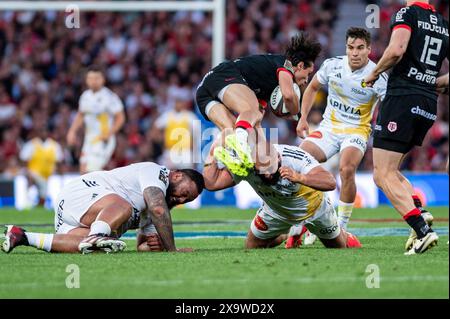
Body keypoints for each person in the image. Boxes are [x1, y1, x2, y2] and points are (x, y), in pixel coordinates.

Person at [363, 0, 448, 254]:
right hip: (428, 105)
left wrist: (374, 73)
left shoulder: (407, 13)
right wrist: (433, 83)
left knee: (381, 173)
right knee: (393, 170)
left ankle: (422, 231)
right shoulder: (444, 25)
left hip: (402, 99)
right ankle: (420, 211)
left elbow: (396, 49)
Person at [290, 27, 388, 246]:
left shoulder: (378, 76)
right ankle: (310, 218)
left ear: (369, 50)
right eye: (351, 47)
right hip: (329, 127)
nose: (355, 53)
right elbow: (313, 86)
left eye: (360, 48)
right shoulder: (332, 65)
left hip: (356, 130)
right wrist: (303, 117)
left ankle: (341, 227)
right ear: (346, 48)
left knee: (346, 168)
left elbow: (389, 105)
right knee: (299, 158)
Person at [2, 162, 205, 254]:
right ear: (177, 176)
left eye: (186, 201)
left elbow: (141, 246)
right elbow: (158, 209)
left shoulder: (159, 207)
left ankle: (23, 236)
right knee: (123, 208)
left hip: (74, 217)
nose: (180, 199)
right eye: (184, 193)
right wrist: (172, 250)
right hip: (80, 193)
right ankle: (96, 235)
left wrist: (154, 246)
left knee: (96, 249)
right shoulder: (158, 173)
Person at [203, 134, 362, 249]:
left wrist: (301, 177)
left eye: (272, 170)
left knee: (340, 247)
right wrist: (213, 151)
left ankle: (338, 233)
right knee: (251, 247)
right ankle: (291, 231)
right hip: (275, 211)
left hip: (315, 209)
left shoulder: (295, 157)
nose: (267, 174)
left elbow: (330, 182)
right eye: (263, 172)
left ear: (278, 157)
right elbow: (211, 183)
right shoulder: (247, 164)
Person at [195, 33, 321, 176]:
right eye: (308, 73)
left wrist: (266, 154)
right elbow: (288, 95)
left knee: (232, 129)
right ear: (299, 66)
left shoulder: (265, 88)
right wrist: (299, 116)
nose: (306, 80)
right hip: (223, 75)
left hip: (203, 93)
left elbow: (255, 123)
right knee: (251, 110)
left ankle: (214, 160)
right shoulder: (285, 64)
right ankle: (238, 144)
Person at [66, 65, 126, 174]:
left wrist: (110, 132)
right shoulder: (85, 96)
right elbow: (81, 115)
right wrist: (72, 131)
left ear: (103, 79)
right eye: (90, 78)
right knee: (83, 172)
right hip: (89, 139)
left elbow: (120, 117)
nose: (93, 81)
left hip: (102, 139)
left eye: (96, 78)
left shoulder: (109, 97)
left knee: (90, 172)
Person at [19, 128, 64, 207]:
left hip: (49, 175)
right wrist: (27, 172)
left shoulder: (54, 145)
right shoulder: (32, 144)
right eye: (41, 131)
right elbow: (23, 159)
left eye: (45, 131)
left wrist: (61, 175)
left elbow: (59, 161)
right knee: (42, 187)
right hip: (33, 173)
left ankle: (39, 206)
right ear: (37, 133)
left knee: (44, 193)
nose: (43, 133)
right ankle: (30, 203)